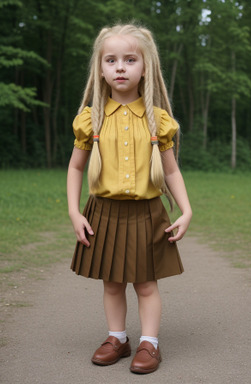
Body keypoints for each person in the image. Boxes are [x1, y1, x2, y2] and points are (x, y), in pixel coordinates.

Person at [67, 23, 192, 374]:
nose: (120, 66)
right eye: (111, 60)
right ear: (101, 69)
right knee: (112, 281)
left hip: (147, 212)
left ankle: (149, 344)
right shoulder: (91, 120)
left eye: (130, 59)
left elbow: (170, 172)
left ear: (145, 68)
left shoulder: (158, 121)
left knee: (146, 283)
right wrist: (75, 212)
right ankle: (117, 338)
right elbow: (76, 168)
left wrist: (186, 209)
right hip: (103, 211)